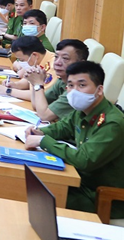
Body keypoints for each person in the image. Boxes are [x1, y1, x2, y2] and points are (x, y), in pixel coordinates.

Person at [25, 61, 124, 219]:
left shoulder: (112, 123)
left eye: (82, 85)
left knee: (35, 197)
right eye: (70, 85)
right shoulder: (83, 110)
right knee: (29, 184)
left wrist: (42, 141)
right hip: (78, 181)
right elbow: (62, 128)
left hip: (100, 197)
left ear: (99, 90)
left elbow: (84, 160)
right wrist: (39, 132)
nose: (75, 91)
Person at [24, 39, 89, 122]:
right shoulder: (62, 80)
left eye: (65, 58)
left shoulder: (78, 89)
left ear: (81, 63)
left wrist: (38, 84)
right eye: (56, 57)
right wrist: (34, 82)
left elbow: (44, 116)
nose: (57, 62)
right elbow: (36, 105)